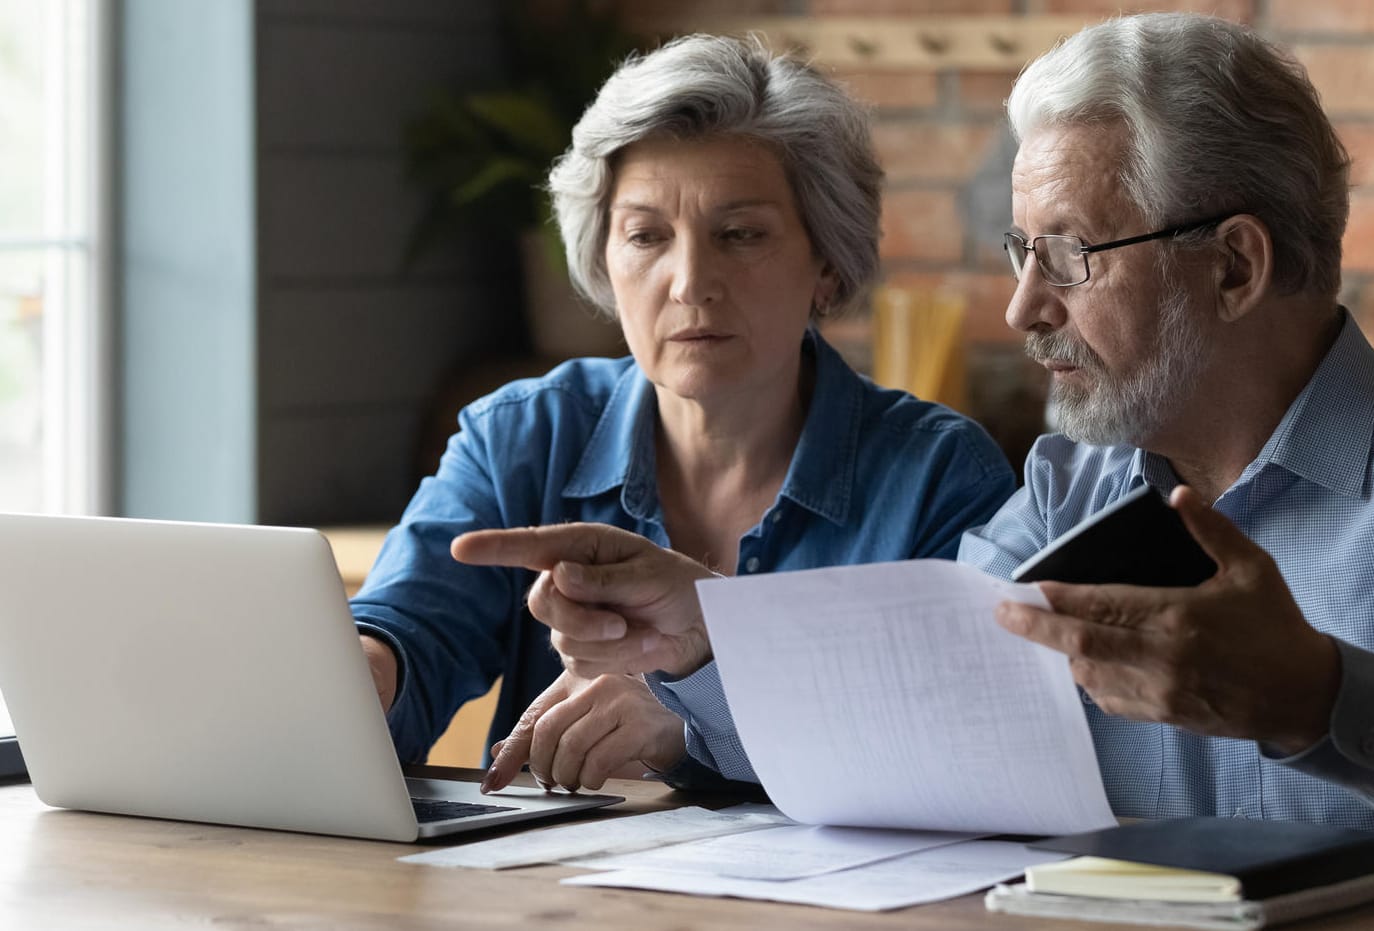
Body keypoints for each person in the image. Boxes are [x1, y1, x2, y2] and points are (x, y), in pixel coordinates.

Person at [473, 13, 1374, 855]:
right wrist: (710, 634)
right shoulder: (1066, 486)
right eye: (1018, 253)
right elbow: (918, 700)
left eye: (1070, 256)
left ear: (1234, 265)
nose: (1021, 310)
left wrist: (1317, 696)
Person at [352, 34, 1016, 792]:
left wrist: (694, 722)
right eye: (646, 236)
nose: (690, 282)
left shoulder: (939, 476)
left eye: (740, 235)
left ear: (826, 265)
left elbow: (961, 742)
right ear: (604, 260)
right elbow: (410, 629)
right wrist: (362, 678)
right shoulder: (522, 435)